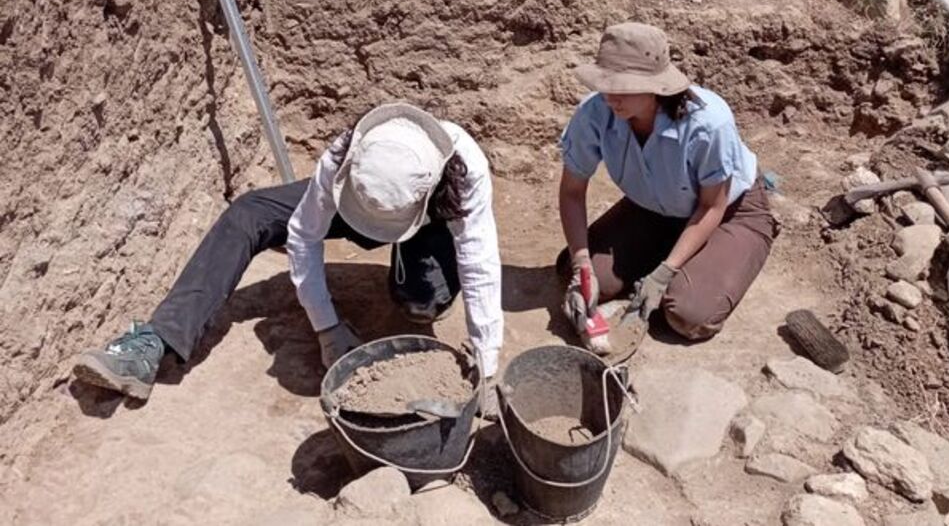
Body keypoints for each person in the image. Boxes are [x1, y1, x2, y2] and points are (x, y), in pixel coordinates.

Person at [73, 103, 504, 412]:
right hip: (353, 203)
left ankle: (410, 265)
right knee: (250, 212)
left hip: (425, 221)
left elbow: (479, 262)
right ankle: (154, 341)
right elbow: (303, 234)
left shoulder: (463, 171)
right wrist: (327, 328)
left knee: (421, 302)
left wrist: (487, 364)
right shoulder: (348, 152)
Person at [557, 22, 778, 352]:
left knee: (689, 314)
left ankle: (744, 241)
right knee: (577, 275)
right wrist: (581, 267)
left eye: (625, 87)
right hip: (653, 208)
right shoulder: (594, 113)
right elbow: (572, 192)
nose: (611, 96)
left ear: (656, 86)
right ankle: (666, 253)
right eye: (607, 84)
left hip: (729, 211)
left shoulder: (707, 123)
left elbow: (712, 206)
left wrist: (664, 273)